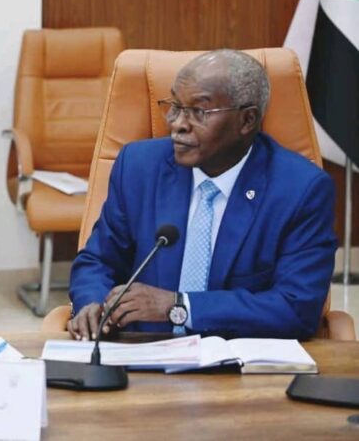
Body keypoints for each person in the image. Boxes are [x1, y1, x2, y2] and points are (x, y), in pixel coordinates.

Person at [68, 49, 337, 341]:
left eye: (198, 112)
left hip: (241, 359)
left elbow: (296, 308)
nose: (177, 124)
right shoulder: (138, 167)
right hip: (143, 352)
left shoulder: (300, 189)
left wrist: (180, 306)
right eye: (175, 106)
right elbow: (98, 261)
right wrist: (92, 304)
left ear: (247, 120)